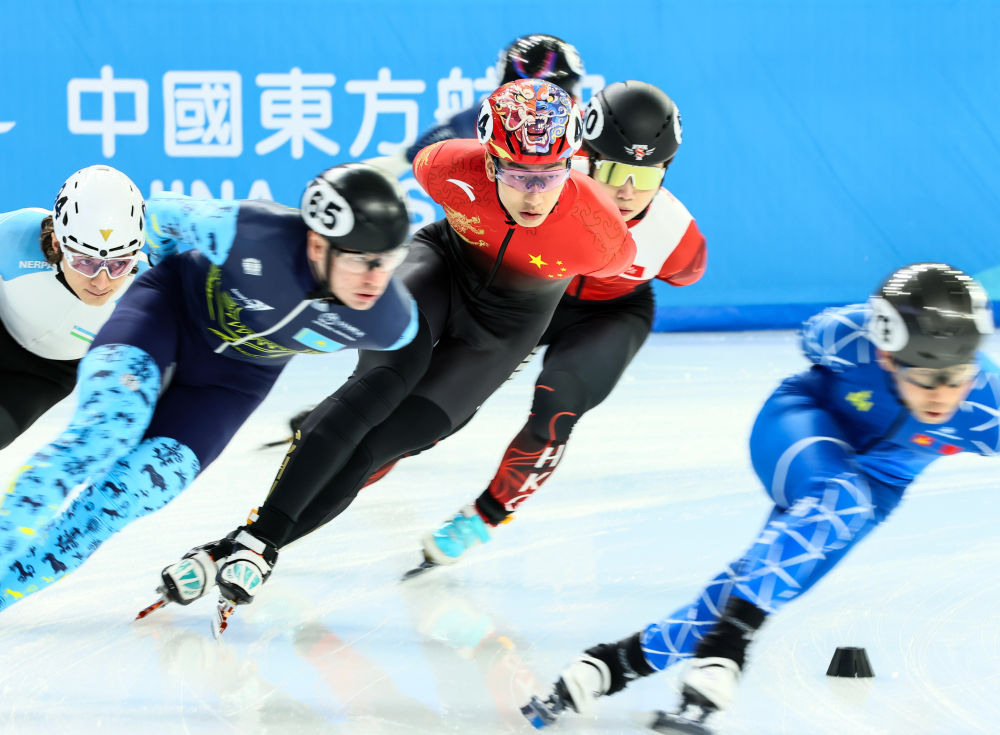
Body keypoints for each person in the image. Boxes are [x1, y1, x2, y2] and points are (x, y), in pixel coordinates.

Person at [151, 78, 638, 634]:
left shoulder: (602, 233)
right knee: (383, 380)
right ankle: (259, 542)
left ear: (572, 163)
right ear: (488, 160)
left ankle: (245, 544)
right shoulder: (446, 167)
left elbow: (624, 285)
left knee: (383, 444)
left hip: (504, 329)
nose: (533, 194)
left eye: (550, 175)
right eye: (516, 175)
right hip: (440, 270)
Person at [520, 262, 999, 733]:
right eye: (925, 376)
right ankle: (725, 652)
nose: (942, 394)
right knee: (839, 499)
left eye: (957, 374)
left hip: (876, 487)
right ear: (887, 356)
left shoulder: (987, 406)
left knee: (767, 580)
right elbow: (813, 336)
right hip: (803, 424)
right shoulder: (849, 337)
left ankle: (609, 666)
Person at [0, 163, 418, 610]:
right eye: (360, 260)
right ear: (318, 245)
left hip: (232, 382)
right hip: (165, 313)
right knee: (102, 434)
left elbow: (404, 379)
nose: (376, 279)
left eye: (387, 260)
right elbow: (159, 214)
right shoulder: (249, 230)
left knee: (130, 495)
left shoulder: (392, 322)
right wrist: (153, 281)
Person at [419, 80, 706, 568]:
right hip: (531, 300)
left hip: (611, 314)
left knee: (557, 406)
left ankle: (484, 517)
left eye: (646, 176)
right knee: (443, 403)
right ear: (584, 157)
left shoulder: (675, 234)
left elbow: (686, 272)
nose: (628, 190)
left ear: (666, 171)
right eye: (613, 170)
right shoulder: (540, 180)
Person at [0, 165, 145, 449]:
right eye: (85, 262)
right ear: (57, 243)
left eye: (119, 264)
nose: (101, 282)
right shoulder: (14, 235)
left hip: (43, 376)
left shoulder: (146, 286)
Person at [367, 33, 587, 179]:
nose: (538, 125)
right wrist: (397, 163)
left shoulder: (593, 132)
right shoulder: (485, 119)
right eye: (525, 107)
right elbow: (428, 145)